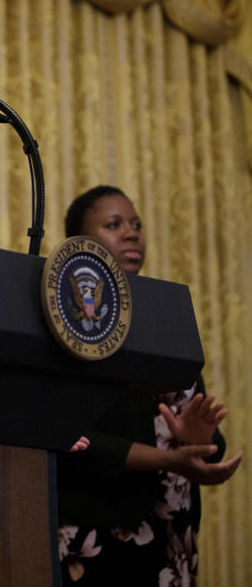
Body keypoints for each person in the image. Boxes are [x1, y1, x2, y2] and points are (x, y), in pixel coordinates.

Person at [57, 185, 243, 585]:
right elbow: (69, 440)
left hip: (170, 544)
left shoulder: (167, 324)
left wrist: (201, 439)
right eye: (114, 224)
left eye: (136, 225)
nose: (132, 233)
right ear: (79, 243)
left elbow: (205, 442)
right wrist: (168, 459)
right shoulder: (64, 324)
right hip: (98, 542)